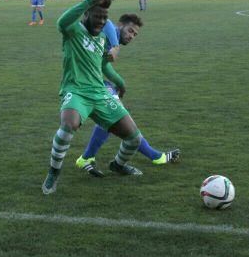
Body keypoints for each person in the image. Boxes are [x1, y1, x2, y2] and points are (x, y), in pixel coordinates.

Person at [42, 0, 145, 195]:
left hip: (100, 93)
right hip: (77, 91)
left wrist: (120, 83)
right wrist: (89, 1)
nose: (101, 21)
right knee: (68, 124)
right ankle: (54, 172)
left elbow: (103, 66)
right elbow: (62, 21)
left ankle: (117, 164)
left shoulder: (102, 38)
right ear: (87, 14)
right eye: (97, 16)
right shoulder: (73, 30)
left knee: (134, 138)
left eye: (104, 18)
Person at [75, 13, 180, 176]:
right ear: (120, 25)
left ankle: (89, 158)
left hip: (93, 83)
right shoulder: (109, 32)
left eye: (134, 34)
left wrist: (120, 83)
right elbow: (108, 22)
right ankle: (154, 156)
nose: (131, 36)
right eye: (130, 31)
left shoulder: (109, 39)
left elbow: (104, 66)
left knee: (114, 117)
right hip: (84, 84)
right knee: (117, 117)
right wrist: (116, 46)